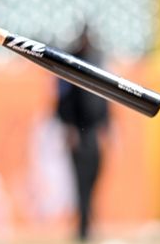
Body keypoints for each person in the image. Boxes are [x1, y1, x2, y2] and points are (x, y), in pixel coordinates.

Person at [56, 28, 110, 241]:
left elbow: (104, 98)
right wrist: (68, 127)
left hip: (94, 131)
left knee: (95, 176)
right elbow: (63, 98)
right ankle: (83, 227)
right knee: (80, 181)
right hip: (77, 132)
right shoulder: (70, 61)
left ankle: (89, 219)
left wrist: (107, 126)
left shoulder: (98, 58)